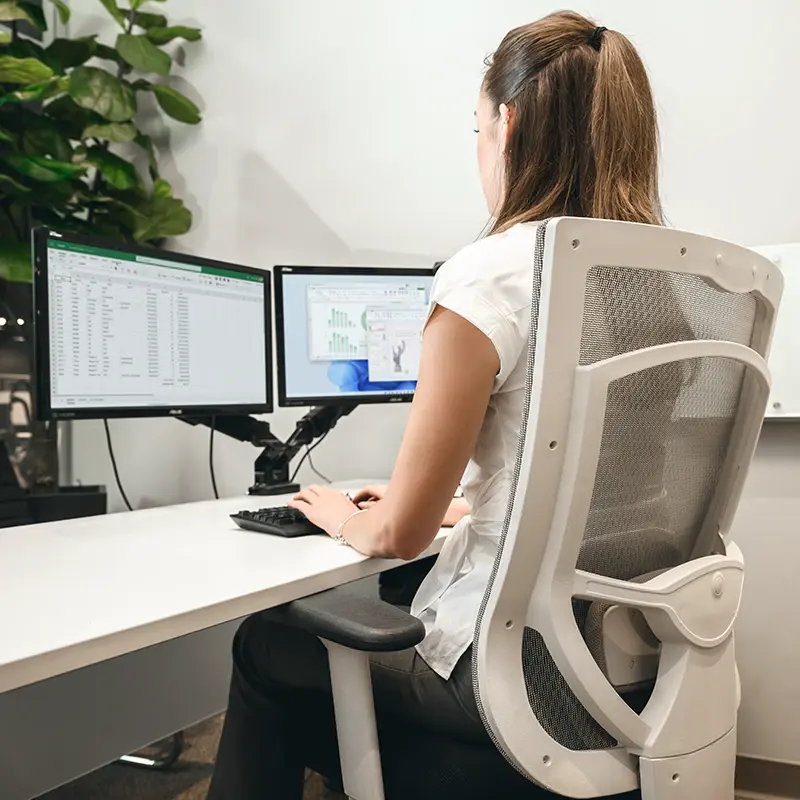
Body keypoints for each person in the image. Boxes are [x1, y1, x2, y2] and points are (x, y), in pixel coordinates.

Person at [207, 10, 665, 798]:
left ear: (507, 124)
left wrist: (345, 514)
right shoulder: (666, 288)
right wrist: (468, 509)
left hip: (501, 683)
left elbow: (397, 533)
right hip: (623, 674)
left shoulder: (488, 275)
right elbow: (594, 494)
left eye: (477, 128)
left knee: (264, 643)